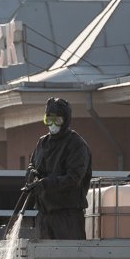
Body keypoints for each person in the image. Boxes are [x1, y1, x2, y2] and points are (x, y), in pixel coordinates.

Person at [23, 97, 93, 239]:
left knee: (66, 257)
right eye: (49, 120)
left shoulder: (76, 144)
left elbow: (74, 178)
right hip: (44, 214)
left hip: (68, 215)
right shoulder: (42, 143)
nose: (53, 125)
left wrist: (46, 184)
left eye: (57, 120)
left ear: (66, 120)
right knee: (42, 258)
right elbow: (32, 164)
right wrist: (32, 174)